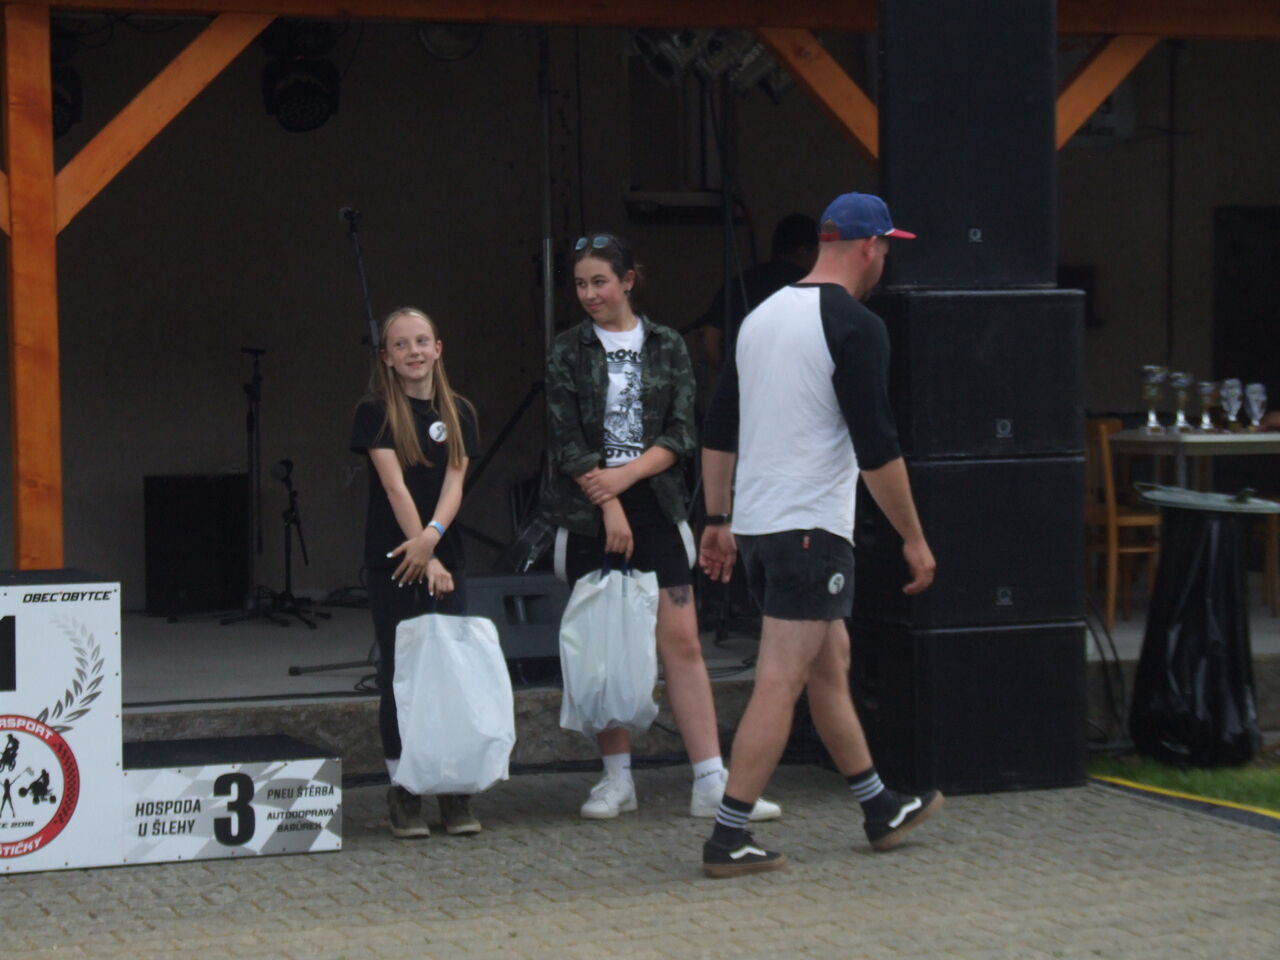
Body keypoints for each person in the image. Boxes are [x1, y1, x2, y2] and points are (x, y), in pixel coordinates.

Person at [698, 192, 941, 878]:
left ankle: (878, 806)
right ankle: (728, 836)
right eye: (885, 247)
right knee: (780, 681)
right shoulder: (857, 325)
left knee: (829, 663)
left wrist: (717, 520)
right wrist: (913, 537)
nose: (885, 259)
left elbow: (719, 426)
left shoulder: (760, 317)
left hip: (760, 527)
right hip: (811, 532)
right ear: (867, 247)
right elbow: (877, 446)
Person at [541, 232, 781, 822]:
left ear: (628, 281)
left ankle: (710, 779)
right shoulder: (567, 350)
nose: (589, 294)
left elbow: (681, 432)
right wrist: (608, 504)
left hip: (655, 503)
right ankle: (616, 778)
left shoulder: (667, 343)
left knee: (682, 641)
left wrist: (625, 480)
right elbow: (567, 439)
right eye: (580, 284)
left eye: (600, 281)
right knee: (605, 649)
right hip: (591, 510)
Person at [350, 306, 481, 839]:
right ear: (386, 357)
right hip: (397, 558)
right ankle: (404, 789)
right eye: (401, 345)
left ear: (438, 348)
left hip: (443, 556)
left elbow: (455, 482)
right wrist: (422, 551)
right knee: (402, 672)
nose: (413, 352)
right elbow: (394, 486)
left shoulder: (460, 411)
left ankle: (453, 790)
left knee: (449, 670)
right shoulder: (375, 412)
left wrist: (434, 541)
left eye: (422, 341)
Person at [689, 213, 819, 379]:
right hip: (798, 383)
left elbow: (709, 340)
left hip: (746, 383)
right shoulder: (813, 287)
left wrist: (731, 377)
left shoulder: (740, 282)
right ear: (803, 252)